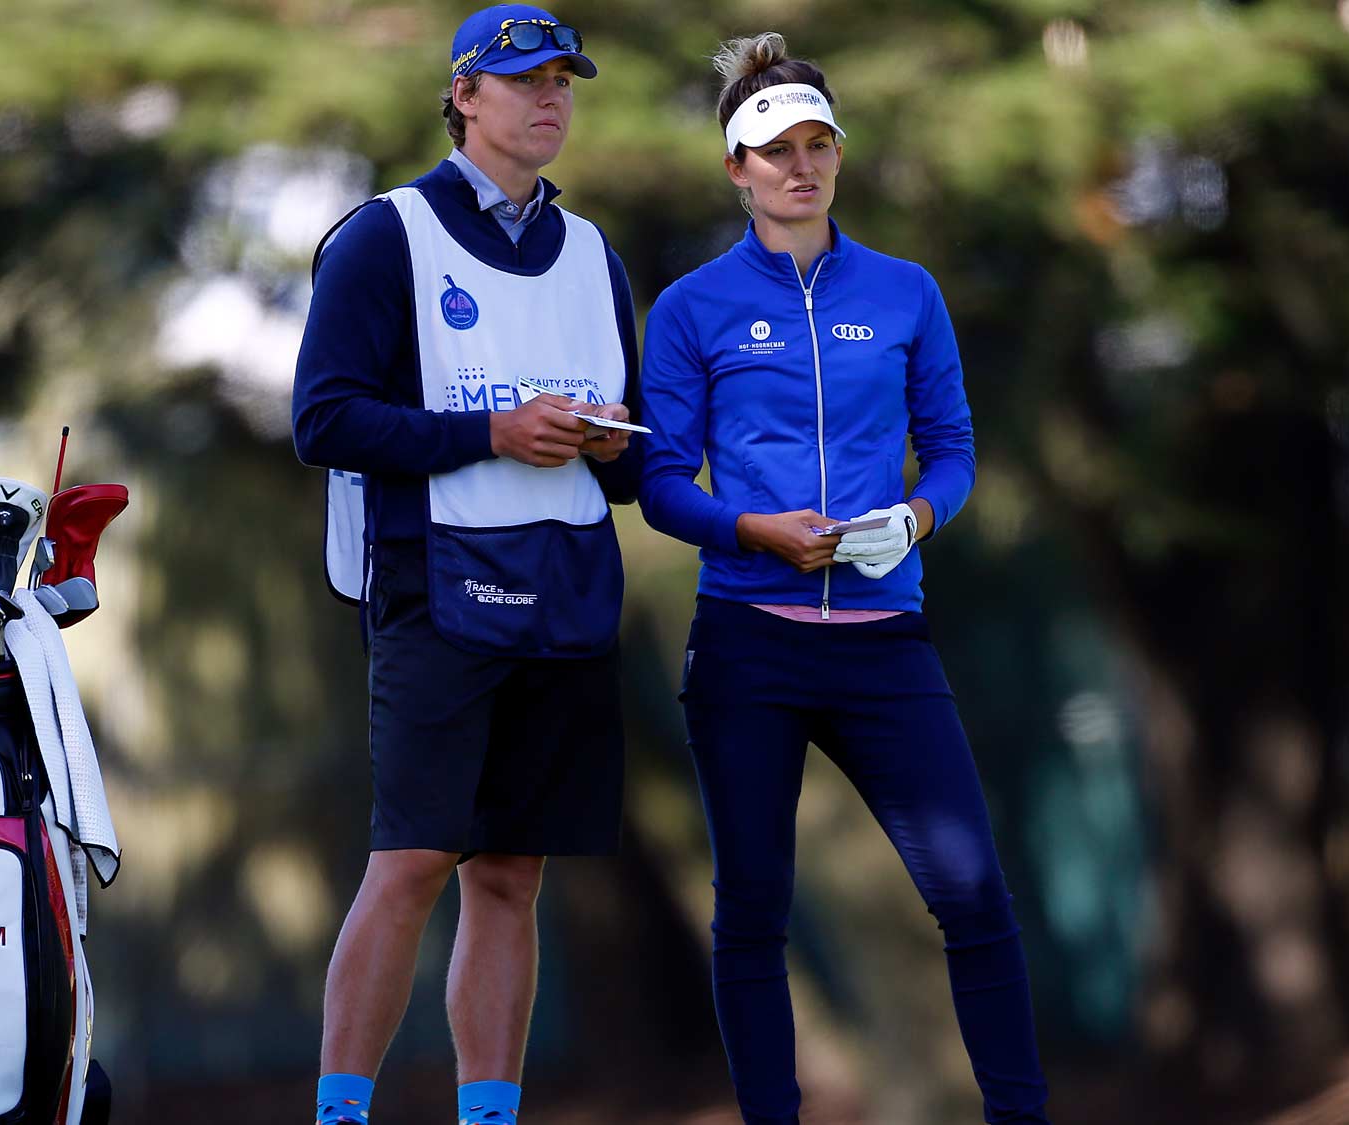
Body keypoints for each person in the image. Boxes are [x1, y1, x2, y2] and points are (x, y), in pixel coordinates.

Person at [636, 32, 1052, 1125]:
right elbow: (660, 483)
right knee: (753, 912)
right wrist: (751, 530)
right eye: (775, 151)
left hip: (882, 638)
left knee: (973, 897)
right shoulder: (690, 309)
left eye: (818, 144)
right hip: (746, 642)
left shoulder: (906, 293)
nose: (800, 167)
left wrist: (917, 515)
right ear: (735, 168)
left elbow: (953, 449)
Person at [289, 6, 641, 1124]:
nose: (549, 97)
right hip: (429, 587)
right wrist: (490, 432)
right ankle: (341, 1114)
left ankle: (488, 1116)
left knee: (511, 873)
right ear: (463, 97)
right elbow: (325, 420)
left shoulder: (593, 255)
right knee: (413, 857)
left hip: (566, 589)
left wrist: (607, 439)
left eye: (562, 80)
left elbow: (628, 472)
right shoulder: (383, 235)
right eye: (522, 78)